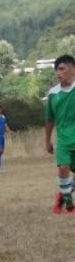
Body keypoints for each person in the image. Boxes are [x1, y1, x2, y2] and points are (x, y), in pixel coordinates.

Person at [46, 55, 75, 214]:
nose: (58, 73)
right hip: (63, 139)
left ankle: (62, 196)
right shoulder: (53, 93)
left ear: (72, 69)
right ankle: (70, 206)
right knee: (63, 168)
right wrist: (47, 141)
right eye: (56, 70)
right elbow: (49, 119)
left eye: (62, 69)